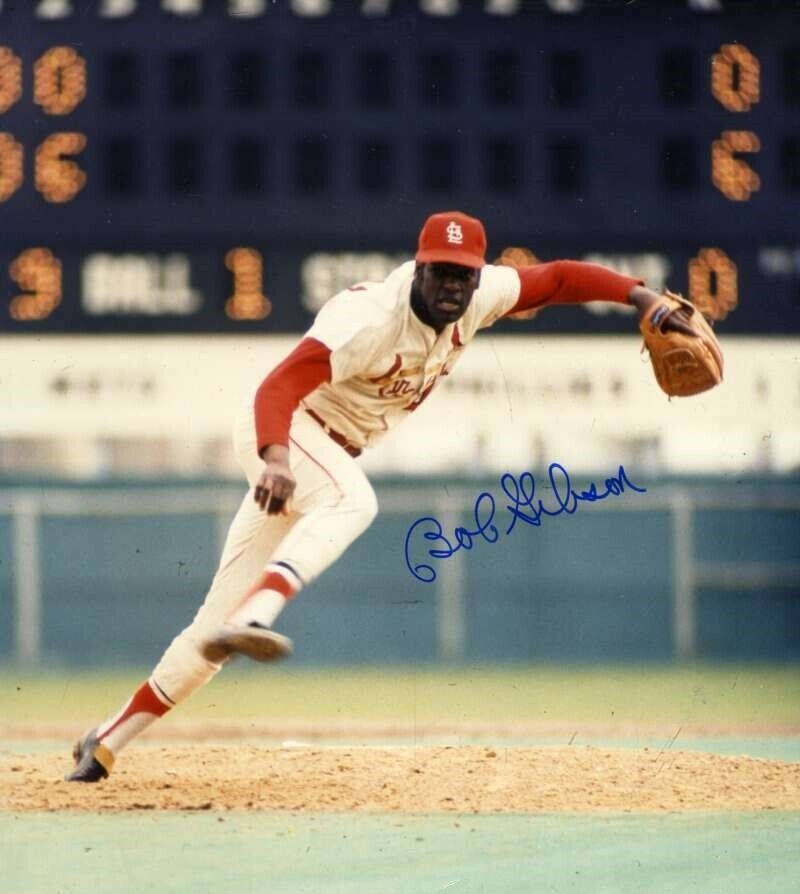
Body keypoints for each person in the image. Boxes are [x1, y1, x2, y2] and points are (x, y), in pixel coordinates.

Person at [67, 210, 695, 781]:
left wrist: (639, 297)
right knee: (353, 502)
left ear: (478, 277)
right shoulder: (368, 320)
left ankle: (105, 744)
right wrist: (276, 459)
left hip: (320, 455)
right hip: (290, 435)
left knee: (210, 635)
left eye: (464, 275)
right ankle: (257, 616)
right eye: (442, 272)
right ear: (419, 267)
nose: (453, 285)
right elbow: (276, 389)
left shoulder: (483, 297)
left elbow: (556, 280)